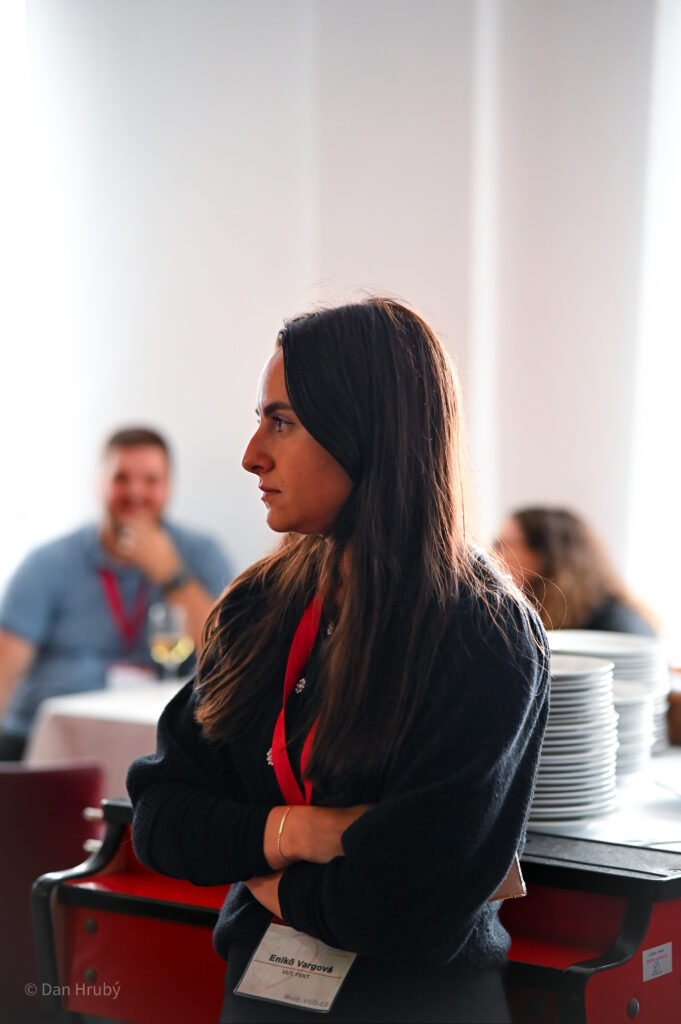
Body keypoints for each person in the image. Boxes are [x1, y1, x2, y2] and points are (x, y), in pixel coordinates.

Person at [127, 300, 549, 1023]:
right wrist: (298, 833)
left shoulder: (483, 632)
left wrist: (259, 868)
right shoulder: (259, 606)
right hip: (264, 995)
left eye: (282, 422)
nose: (252, 454)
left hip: (411, 1005)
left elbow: (404, 909)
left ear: (366, 432)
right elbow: (160, 818)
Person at [0, 426, 232, 760]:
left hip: (158, 745)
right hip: (44, 743)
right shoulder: (48, 562)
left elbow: (226, 655)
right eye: (121, 478)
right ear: (100, 483)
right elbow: (5, 670)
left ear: (169, 486)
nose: (135, 492)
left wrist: (172, 574)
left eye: (150, 480)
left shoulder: (200, 553)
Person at [495, 506, 657, 635]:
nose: (494, 554)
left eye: (506, 544)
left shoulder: (615, 624)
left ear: (547, 555)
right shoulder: (530, 616)